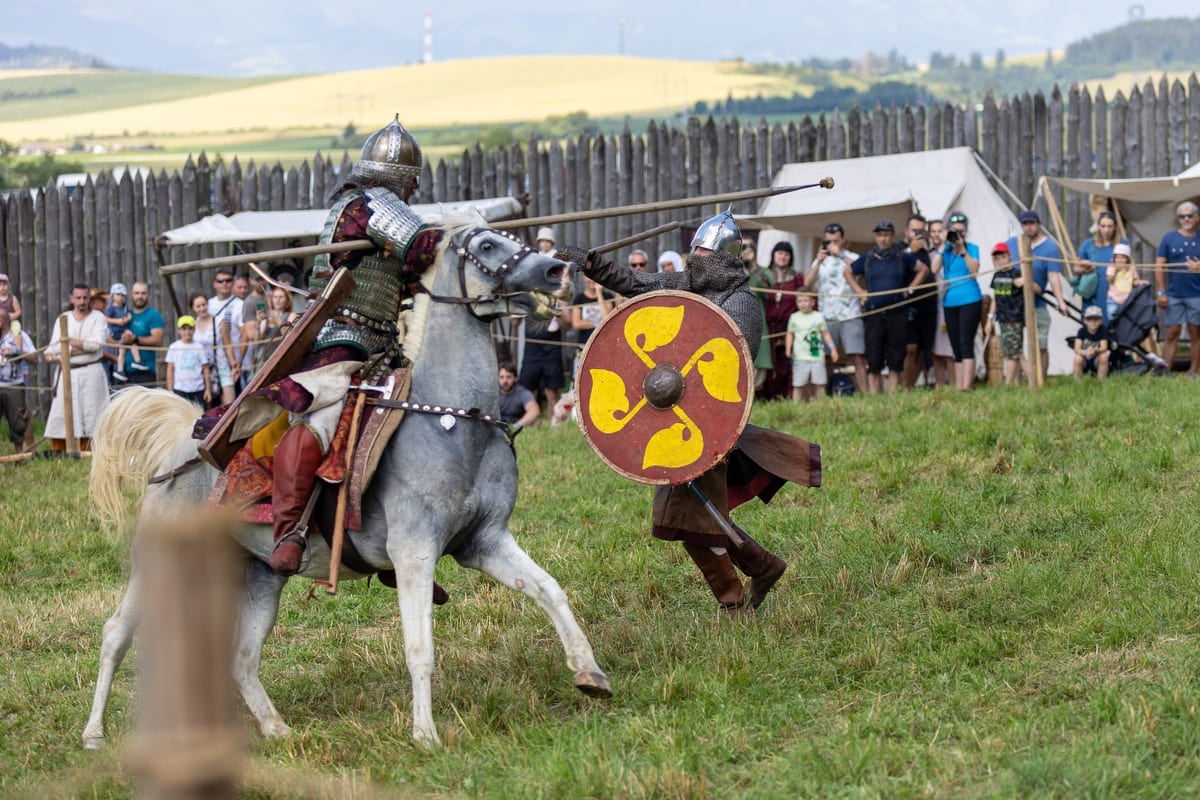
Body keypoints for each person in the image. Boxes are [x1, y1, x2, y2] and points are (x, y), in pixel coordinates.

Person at [568, 209, 821, 616]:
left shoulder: (740, 304)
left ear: (722, 259)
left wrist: (709, 421)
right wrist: (593, 264)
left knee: (686, 517)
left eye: (702, 252)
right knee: (694, 515)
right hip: (676, 419)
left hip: (706, 426)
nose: (694, 258)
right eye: (694, 250)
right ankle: (761, 566)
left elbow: (730, 373)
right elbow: (636, 283)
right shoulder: (687, 284)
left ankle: (735, 599)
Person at [219, 115, 442, 575]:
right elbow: (424, 245)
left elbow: (415, 270)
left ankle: (399, 542)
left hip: (384, 347)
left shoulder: (373, 208)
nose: (416, 190)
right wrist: (464, 236)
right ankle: (290, 530)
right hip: (341, 341)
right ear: (398, 178)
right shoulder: (369, 205)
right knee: (320, 422)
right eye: (412, 181)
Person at [845, 220, 928, 394]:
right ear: (876, 237)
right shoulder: (868, 258)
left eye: (886, 235)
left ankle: (892, 396)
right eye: (880, 235)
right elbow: (848, 271)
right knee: (874, 358)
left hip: (897, 313)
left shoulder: (902, 257)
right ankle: (874, 396)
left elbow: (923, 270)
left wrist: (910, 289)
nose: (883, 239)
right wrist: (859, 291)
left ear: (892, 237)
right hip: (874, 314)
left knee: (895, 359)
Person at [43, 284, 110, 452]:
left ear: (90, 299)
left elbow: (96, 345)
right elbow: (53, 348)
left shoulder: (98, 317)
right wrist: (77, 347)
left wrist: (69, 344)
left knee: (92, 413)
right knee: (62, 413)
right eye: (78, 298)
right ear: (71, 299)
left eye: (85, 298)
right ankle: (61, 451)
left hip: (91, 372)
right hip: (68, 373)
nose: (82, 301)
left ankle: (91, 451)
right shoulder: (63, 318)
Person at [804, 222, 865, 394]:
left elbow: (861, 270)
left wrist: (841, 255)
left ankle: (866, 395)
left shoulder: (852, 256)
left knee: (857, 356)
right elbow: (807, 285)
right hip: (827, 316)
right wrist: (818, 261)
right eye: (828, 241)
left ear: (843, 240)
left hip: (851, 314)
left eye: (836, 241)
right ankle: (826, 395)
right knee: (827, 357)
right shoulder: (820, 260)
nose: (832, 245)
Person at [1006, 210, 1066, 380]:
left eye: (1031, 223)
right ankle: (1016, 383)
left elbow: (1054, 277)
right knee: (1015, 346)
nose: (1028, 227)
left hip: (1037, 302)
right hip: (1015, 303)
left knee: (1041, 345)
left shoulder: (1049, 248)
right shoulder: (1012, 244)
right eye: (1025, 224)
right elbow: (1001, 264)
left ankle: (1041, 379)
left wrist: (1061, 301)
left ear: (1039, 224)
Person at [932, 212, 983, 391]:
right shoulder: (945, 250)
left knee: (966, 341)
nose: (958, 235)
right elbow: (934, 268)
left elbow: (974, 270)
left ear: (966, 232)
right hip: (949, 302)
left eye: (961, 231)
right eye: (954, 231)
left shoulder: (972, 248)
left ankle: (966, 385)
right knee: (955, 345)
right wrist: (942, 244)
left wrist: (962, 250)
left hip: (970, 299)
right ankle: (959, 385)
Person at [1155, 200, 1200, 376]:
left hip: (1197, 295)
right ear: (1178, 218)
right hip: (1174, 294)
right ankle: (1165, 370)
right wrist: (1162, 292)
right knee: (1172, 332)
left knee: (1196, 332)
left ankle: (1193, 371)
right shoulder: (1169, 238)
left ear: (1197, 218)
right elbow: (1159, 266)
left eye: (1190, 216)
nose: (1186, 219)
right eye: (1182, 216)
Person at [759, 241, 802, 400]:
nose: (782, 257)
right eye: (779, 253)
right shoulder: (764, 275)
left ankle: (786, 396)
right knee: (768, 361)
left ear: (790, 257)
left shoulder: (796, 278)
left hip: (788, 326)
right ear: (773, 255)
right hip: (768, 326)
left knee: (787, 361)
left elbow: (804, 294)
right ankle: (767, 397)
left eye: (786, 254)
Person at [901, 214, 938, 388]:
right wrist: (911, 250)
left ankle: (919, 384)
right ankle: (905, 387)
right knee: (911, 348)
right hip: (909, 306)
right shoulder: (900, 249)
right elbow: (894, 264)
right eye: (914, 230)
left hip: (929, 306)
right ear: (906, 231)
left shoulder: (929, 251)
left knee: (926, 349)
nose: (918, 234)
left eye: (921, 231)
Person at [785, 291, 838, 402]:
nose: (802, 303)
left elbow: (825, 334)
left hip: (817, 356)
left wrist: (833, 349)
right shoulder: (794, 317)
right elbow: (790, 334)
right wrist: (788, 348)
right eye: (799, 301)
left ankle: (821, 405)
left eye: (805, 300)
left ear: (812, 302)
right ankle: (796, 405)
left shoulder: (819, 316)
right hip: (800, 357)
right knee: (798, 384)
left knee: (820, 383)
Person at [1072, 210, 1125, 322]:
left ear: (1115, 227)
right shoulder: (1088, 244)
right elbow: (1075, 268)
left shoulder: (1122, 245)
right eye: (1103, 226)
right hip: (1093, 291)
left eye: (1110, 226)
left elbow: (1131, 267)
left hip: (1115, 292)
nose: (1106, 230)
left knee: (1113, 324)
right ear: (1098, 227)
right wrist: (1085, 269)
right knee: (1092, 325)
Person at [989, 243, 1029, 386]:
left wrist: (1025, 281)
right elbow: (996, 298)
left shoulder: (1017, 273)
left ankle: (1009, 384)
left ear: (1009, 256)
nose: (1000, 261)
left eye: (1003, 257)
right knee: (1015, 353)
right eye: (997, 259)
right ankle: (1021, 384)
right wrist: (989, 318)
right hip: (1002, 319)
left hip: (1014, 319)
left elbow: (1030, 286)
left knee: (1013, 354)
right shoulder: (997, 275)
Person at [114, 282, 165, 386]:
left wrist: (135, 339)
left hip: (145, 372)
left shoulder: (153, 315)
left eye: (143, 293)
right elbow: (111, 337)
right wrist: (122, 339)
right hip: (123, 372)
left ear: (148, 295)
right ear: (131, 294)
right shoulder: (125, 314)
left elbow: (158, 341)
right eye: (137, 293)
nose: (140, 296)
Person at [190, 292, 235, 406]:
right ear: (193, 309)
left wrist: (233, 364)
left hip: (221, 365)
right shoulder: (193, 325)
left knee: (229, 405)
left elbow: (227, 345)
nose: (202, 308)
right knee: (208, 405)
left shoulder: (219, 321)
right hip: (202, 370)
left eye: (204, 305)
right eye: (198, 306)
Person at [0, 309, 33, 453]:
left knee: (18, 422)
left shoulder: (19, 335)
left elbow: (35, 358)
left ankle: (19, 456)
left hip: (13, 386)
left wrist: (18, 352)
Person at [165, 315, 212, 406]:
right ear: (179, 330)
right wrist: (170, 391)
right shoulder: (174, 347)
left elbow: (205, 369)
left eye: (190, 329)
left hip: (198, 389)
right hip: (180, 389)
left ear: (194, 330)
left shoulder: (199, 347)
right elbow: (170, 370)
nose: (187, 332)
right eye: (184, 329)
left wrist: (208, 390)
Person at [104, 283, 144, 382]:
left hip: (124, 331)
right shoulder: (111, 308)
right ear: (113, 296)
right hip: (115, 332)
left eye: (122, 295)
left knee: (133, 342)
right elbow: (106, 319)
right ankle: (120, 370)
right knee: (122, 350)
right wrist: (118, 321)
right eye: (118, 295)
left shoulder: (125, 308)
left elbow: (129, 315)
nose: (120, 298)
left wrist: (128, 318)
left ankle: (137, 361)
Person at [1105, 242, 1148, 318]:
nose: (1120, 260)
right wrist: (1115, 271)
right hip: (1113, 299)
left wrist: (1141, 282)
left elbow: (1134, 282)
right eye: (1117, 257)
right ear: (1114, 258)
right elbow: (1109, 280)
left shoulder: (1131, 268)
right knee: (1113, 319)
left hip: (1127, 300)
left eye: (1123, 257)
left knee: (1126, 320)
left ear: (1127, 259)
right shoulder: (1112, 267)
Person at [497, 362, 539, 432]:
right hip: (497, 424)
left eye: (508, 377)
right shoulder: (493, 393)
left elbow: (534, 411)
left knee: (536, 421)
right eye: (501, 377)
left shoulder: (523, 392)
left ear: (516, 378)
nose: (505, 381)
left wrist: (515, 426)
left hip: (518, 423)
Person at [1073, 305, 1110, 379]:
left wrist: (1094, 350)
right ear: (1085, 321)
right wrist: (1086, 352)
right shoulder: (1082, 331)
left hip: (1096, 358)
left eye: (1096, 319)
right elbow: (1077, 348)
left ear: (1101, 321)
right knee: (1077, 358)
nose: (1093, 322)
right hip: (1084, 358)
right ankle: (1077, 382)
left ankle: (1101, 382)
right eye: (1090, 319)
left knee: (1104, 357)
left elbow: (1104, 347)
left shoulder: (1102, 330)